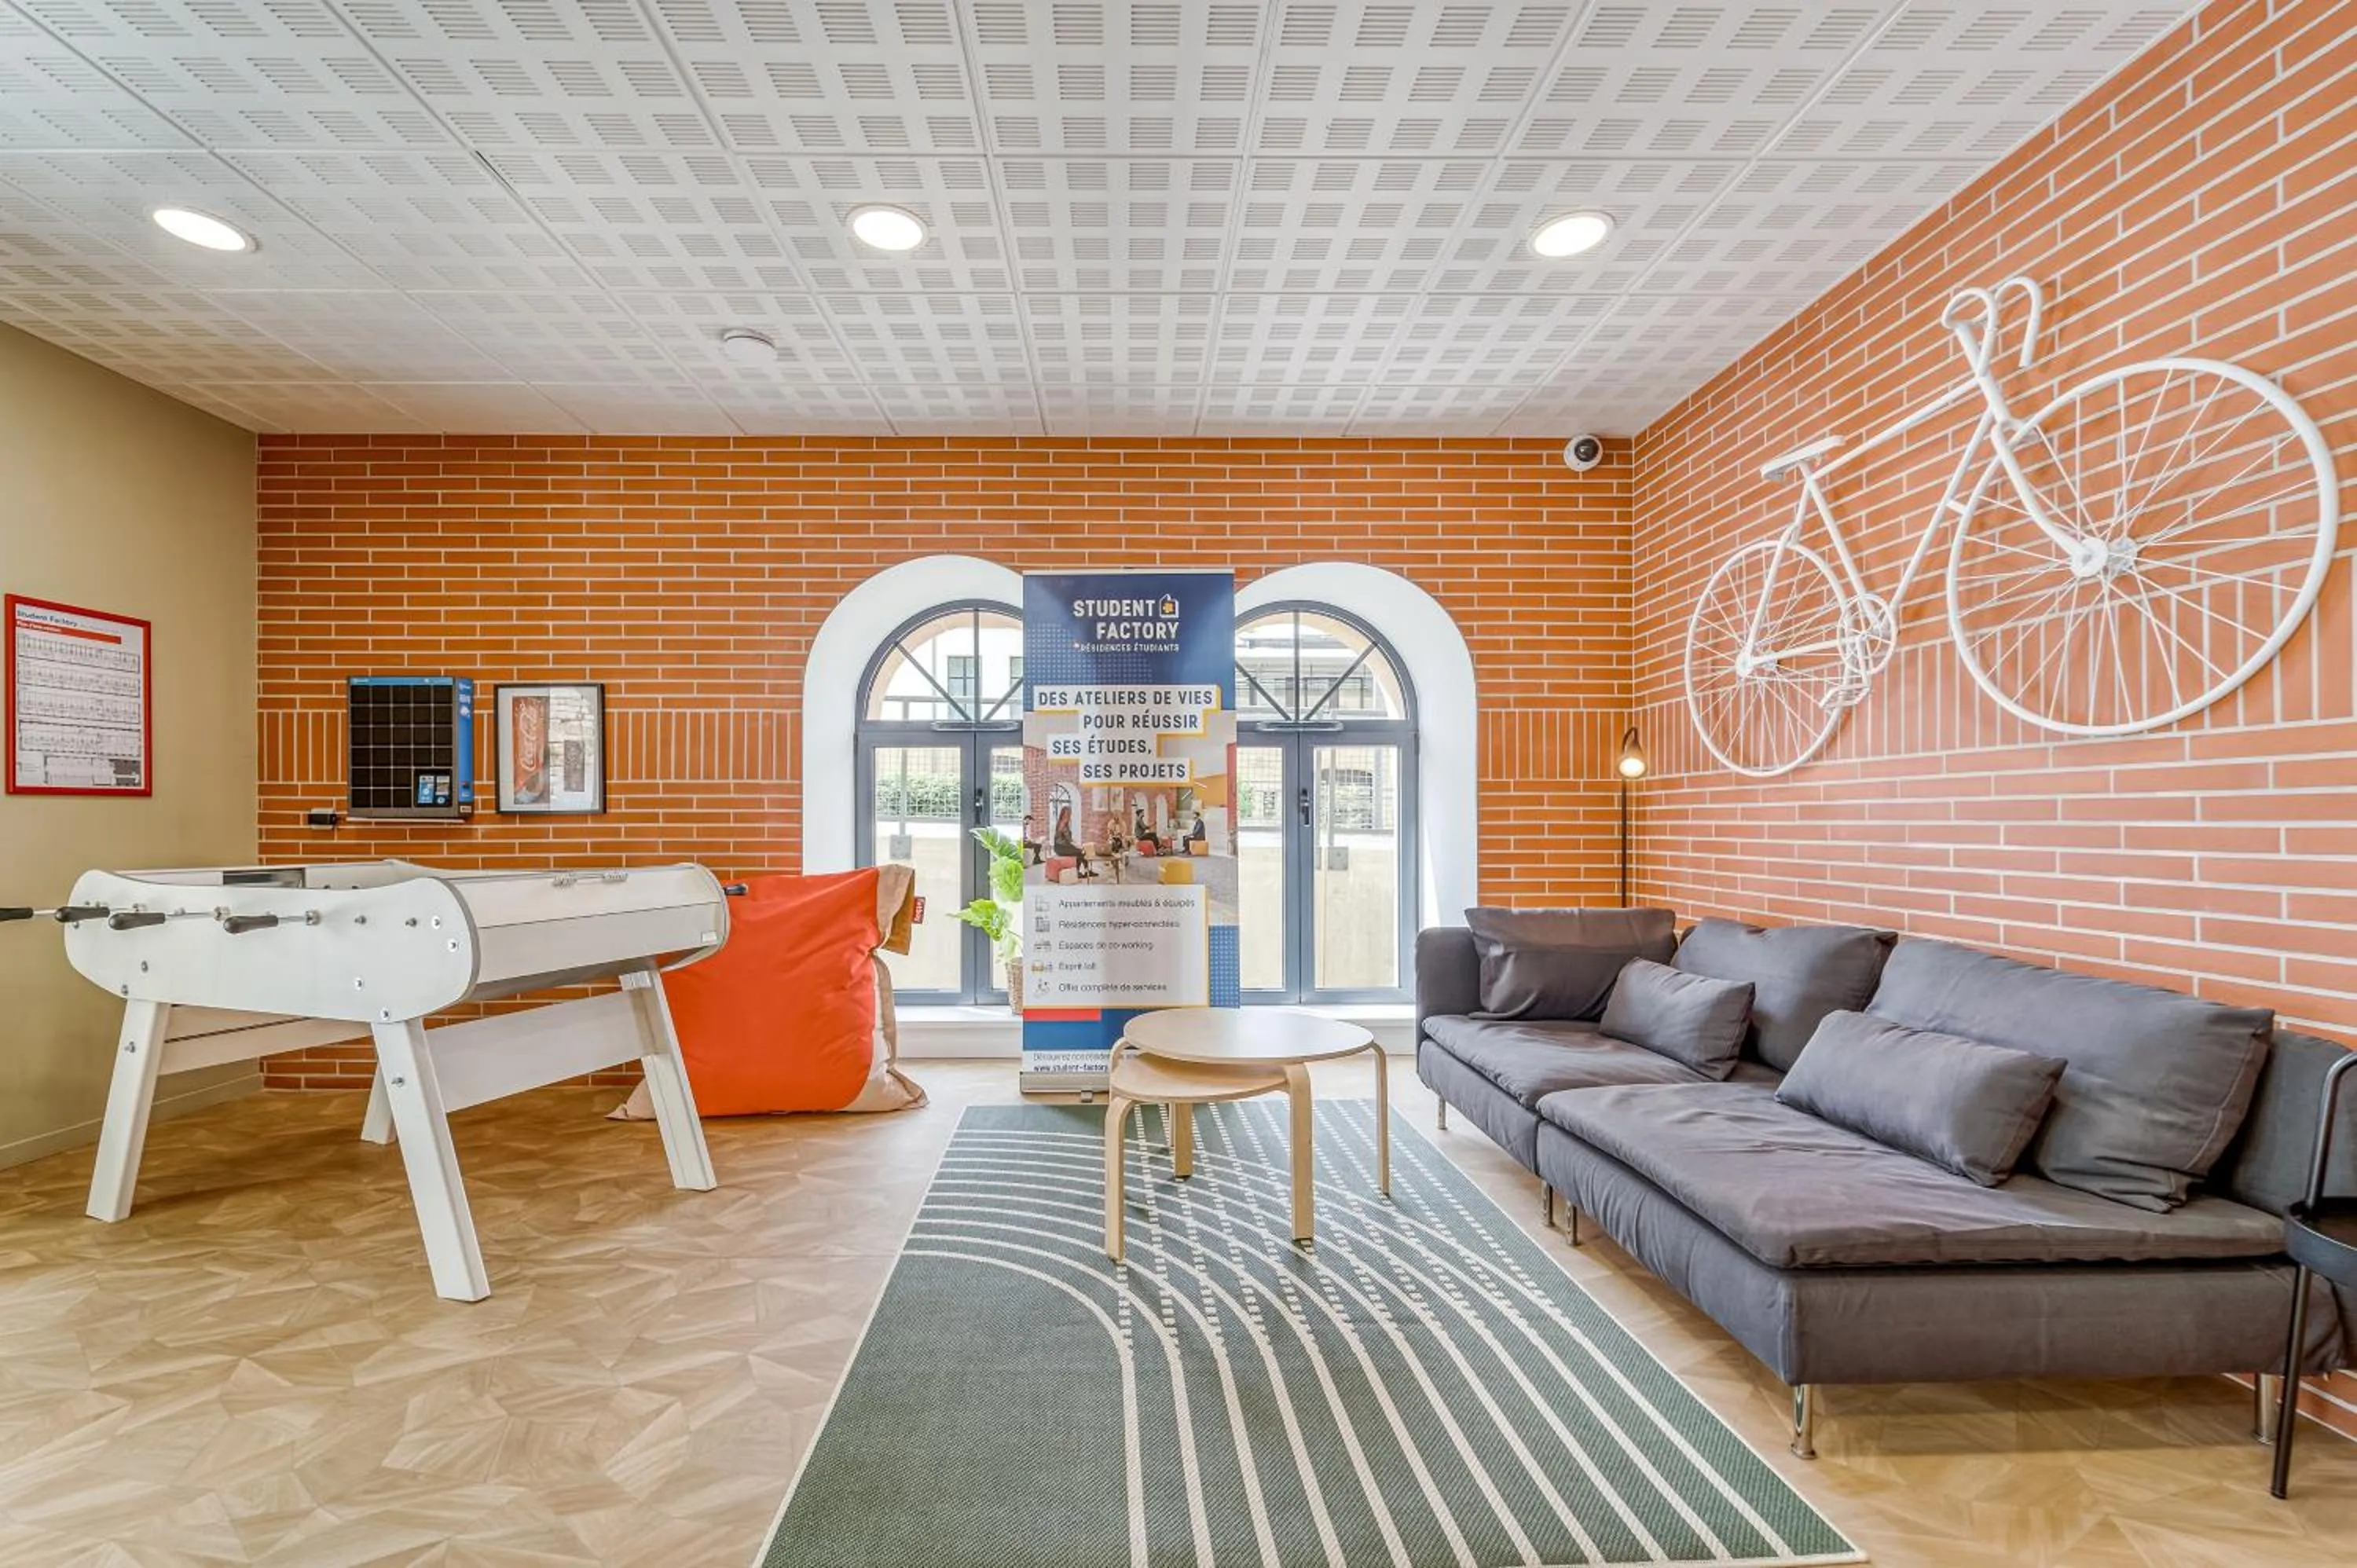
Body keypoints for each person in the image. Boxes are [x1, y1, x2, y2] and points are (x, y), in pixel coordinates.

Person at [1053, 806, 1096, 879]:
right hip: (1061, 848)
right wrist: (1078, 846)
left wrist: (1078, 845)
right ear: (1063, 815)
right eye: (1067, 814)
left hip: (1062, 846)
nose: (1068, 816)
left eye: (1069, 814)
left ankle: (1085, 871)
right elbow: (1069, 840)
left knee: (1081, 851)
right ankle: (1080, 872)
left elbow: (1069, 839)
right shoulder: (1062, 824)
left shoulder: (1063, 823)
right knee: (1081, 852)